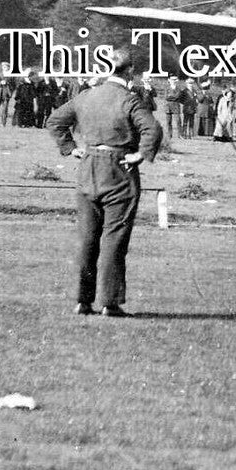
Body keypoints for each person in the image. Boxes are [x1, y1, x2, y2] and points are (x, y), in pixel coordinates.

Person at [46, 48, 162, 317]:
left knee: (87, 238)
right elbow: (153, 129)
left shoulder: (86, 95)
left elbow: (55, 121)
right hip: (119, 169)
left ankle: (82, 301)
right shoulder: (129, 99)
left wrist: (70, 148)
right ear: (130, 70)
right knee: (114, 238)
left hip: (88, 167)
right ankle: (110, 303)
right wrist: (140, 155)